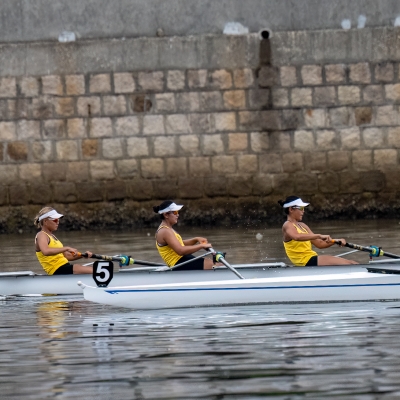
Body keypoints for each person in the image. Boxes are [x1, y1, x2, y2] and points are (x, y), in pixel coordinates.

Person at [278, 196, 358, 266]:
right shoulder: (287, 225)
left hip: (311, 259)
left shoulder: (303, 226)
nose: (303, 211)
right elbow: (297, 237)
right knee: (351, 264)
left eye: (304, 208)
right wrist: (319, 235)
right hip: (305, 261)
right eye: (301, 208)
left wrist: (336, 241)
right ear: (291, 209)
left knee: (352, 263)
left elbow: (320, 244)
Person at [153, 200, 217, 270]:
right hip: (178, 264)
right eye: (175, 212)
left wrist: (195, 239)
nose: (178, 215)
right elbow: (180, 250)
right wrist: (201, 246)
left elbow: (180, 243)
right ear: (166, 215)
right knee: (216, 265)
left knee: (215, 263)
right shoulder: (165, 231)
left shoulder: (168, 228)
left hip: (183, 260)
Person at [34, 207, 94, 275]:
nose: (58, 223)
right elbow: (46, 251)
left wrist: (83, 255)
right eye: (55, 220)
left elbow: (66, 256)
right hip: (56, 270)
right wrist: (66, 248)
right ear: (45, 221)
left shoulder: (53, 237)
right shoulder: (41, 235)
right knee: (93, 271)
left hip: (64, 268)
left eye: (58, 220)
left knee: (91, 269)